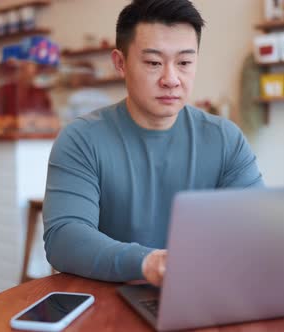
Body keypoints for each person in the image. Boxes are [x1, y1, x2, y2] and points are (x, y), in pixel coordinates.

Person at [42, 0, 263, 287]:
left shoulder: (225, 139)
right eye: (153, 63)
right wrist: (148, 263)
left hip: (201, 296)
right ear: (120, 63)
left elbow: (257, 226)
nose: (171, 79)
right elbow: (63, 237)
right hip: (109, 305)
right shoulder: (81, 140)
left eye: (184, 63)